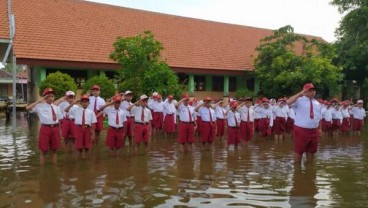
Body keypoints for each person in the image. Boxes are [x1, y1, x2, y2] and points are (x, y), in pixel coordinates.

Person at [26, 88, 64, 165]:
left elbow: (59, 120)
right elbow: (27, 108)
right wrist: (40, 100)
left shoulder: (57, 108)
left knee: (54, 150)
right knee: (43, 150)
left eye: (52, 96)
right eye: (48, 96)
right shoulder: (39, 106)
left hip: (55, 129)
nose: (50, 98)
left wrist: (60, 132)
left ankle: (54, 168)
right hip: (45, 128)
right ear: (45, 97)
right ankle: (42, 170)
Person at [286, 83, 322, 164]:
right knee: (299, 151)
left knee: (311, 151)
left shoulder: (317, 103)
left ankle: (309, 169)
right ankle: (297, 170)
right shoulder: (299, 100)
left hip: (314, 130)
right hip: (301, 129)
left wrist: (320, 129)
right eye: (309, 91)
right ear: (305, 92)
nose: (312, 92)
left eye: (313, 90)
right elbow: (288, 102)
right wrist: (300, 94)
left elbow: (319, 117)